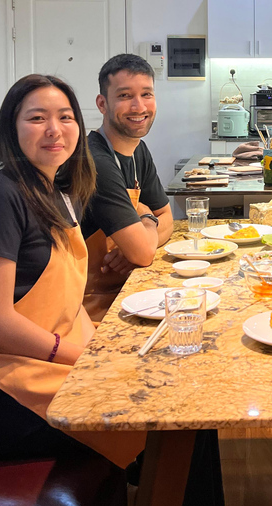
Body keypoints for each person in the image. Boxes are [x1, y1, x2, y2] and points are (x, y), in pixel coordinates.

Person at [0, 75, 224, 506]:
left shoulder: (57, 190)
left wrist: (101, 350)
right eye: (37, 118)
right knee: (179, 417)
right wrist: (84, 359)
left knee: (186, 396)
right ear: (10, 129)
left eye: (65, 117)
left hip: (43, 361)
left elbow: (67, 299)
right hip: (2, 387)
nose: (54, 130)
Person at [82, 53, 174, 323]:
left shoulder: (138, 151)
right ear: (102, 104)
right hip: (87, 304)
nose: (138, 106)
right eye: (124, 96)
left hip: (124, 287)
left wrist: (137, 243)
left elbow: (168, 218)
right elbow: (145, 251)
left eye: (146, 94)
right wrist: (146, 218)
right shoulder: (95, 160)